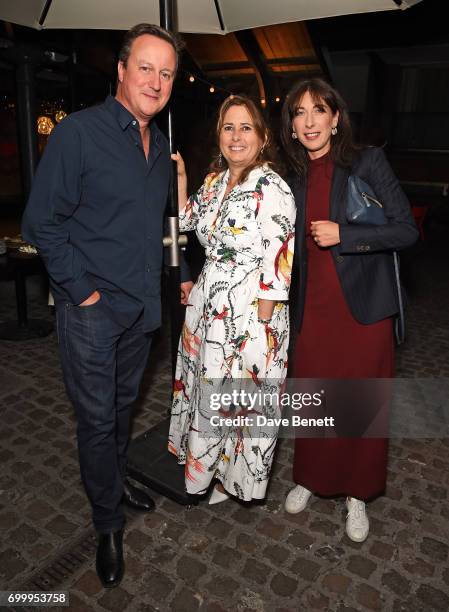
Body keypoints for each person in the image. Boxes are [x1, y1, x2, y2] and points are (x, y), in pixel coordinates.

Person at [21, 23, 192, 588]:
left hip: (142, 311)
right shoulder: (78, 134)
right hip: (91, 311)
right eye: (145, 67)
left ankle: (114, 480)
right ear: (120, 71)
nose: (156, 80)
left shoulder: (162, 142)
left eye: (166, 72)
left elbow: (160, 226)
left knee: (121, 411)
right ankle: (107, 525)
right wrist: (84, 292)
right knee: (96, 422)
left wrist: (178, 275)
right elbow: (41, 222)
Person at [280, 78, 418, 542]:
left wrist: (348, 235)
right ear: (292, 127)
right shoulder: (292, 178)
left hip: (363, 312)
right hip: (313, 311)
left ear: (336, 118)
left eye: (319, 110)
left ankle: (357, 494)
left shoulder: (367, 162)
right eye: (299, 114)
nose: (310, 121)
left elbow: (405, 231)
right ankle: (310, 478)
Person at [168, 95, 296, 504]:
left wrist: (261, 330)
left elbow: (280, 264)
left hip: (251, 313)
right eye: (228, 127)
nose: (236, 136)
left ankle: (230, 478)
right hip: (209, 306)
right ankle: (211, 469)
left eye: (246, 128)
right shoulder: (214, 181)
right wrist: (183, 178)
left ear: (263, 138)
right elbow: (185, 223)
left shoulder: (272, 187)